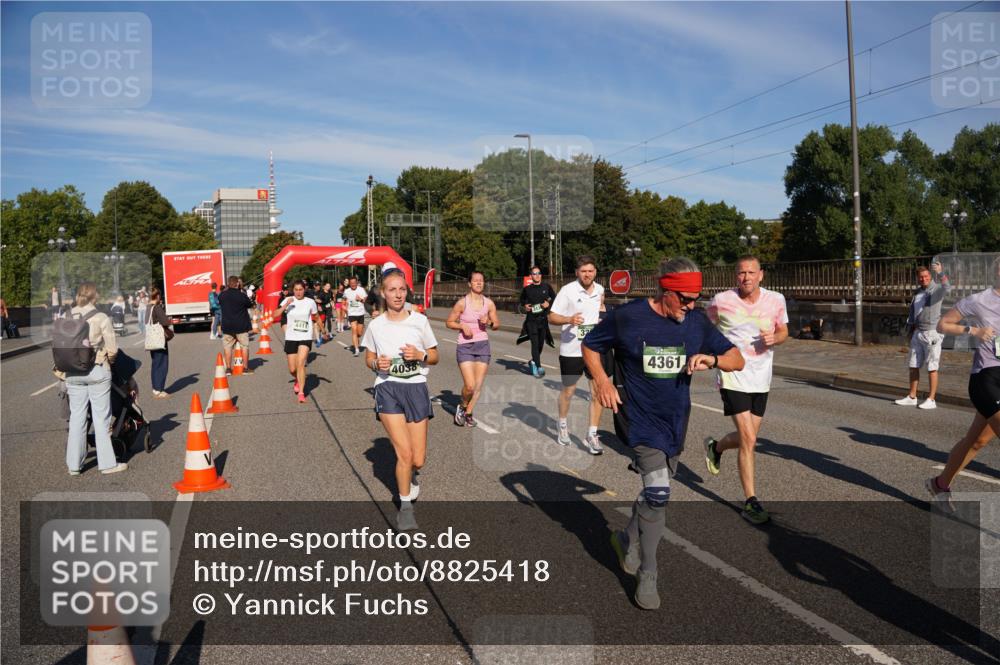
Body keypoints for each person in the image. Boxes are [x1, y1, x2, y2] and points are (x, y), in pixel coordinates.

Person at [584, 257, 743, 609]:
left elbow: (737, 359)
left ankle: (627, 539)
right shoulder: (629, 317)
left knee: (655, 494)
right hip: (637, 419)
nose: (690, 306)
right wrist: (602, 381)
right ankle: (648, 572)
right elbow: (591, 345)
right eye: (685, 299)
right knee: (658, 493)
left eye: (696, 299)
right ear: (665, 290)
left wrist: (713, 360)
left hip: (675, 422)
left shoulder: (696, 323)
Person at [703, 256, 789, 525]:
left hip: (761, 377)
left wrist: (776, 338)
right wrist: (710, 354)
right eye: (742, 273)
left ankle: (716, 447)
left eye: (751, 272)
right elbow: (703, 327)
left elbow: (784, 330)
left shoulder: (776, 300)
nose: (746, 277)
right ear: (735, 276)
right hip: (732, 375)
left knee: (747, 438)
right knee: (749, 439)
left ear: (761, 275)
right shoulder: (721, 301)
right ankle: (751, 501)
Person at [361, 269, 439, 530]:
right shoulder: (376, 325)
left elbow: (435, 356)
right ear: (383, 293)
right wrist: (376, 364)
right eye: (392, 290)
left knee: (418, 459)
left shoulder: (419, 321)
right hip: (388, 388)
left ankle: (412, 475)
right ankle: (405, 509)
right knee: (404, 453)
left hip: (416, 388)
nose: (397, 294)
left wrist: (420, 355)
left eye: (402, 289)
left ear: (407, 292)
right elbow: (369, 358)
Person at [926, 255, 1000, 507]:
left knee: (977, 441)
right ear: (997, 272)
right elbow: (943, 324)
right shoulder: (979, 301)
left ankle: (940, 484)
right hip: (986, 378)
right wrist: (974, 331)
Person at [61, 282, 128, 475]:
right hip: (96, 370)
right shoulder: (101, 317)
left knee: (77, 418)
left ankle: (74, 465)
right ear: (94, 296)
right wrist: (108, 362)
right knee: (101, 418)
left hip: (72, 372)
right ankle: (107, 464)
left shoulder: (66, 316)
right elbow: (112, 350)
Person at [548, 255, 607, 455]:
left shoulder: (600, 290)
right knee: (569, 391)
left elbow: (600, 311)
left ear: (595, 272)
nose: (587, 274)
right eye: (583, 271)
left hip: (594, 349)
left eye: (590, 271)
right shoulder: (567, 291)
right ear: (577, 273)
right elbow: (551, 316)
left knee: (597, 391)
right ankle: (562, 424)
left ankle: (592, 434)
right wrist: (569, 319)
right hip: (571, 350)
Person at [446, 271, 500, 428]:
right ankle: (462, 406)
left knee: (477, 385)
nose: (478, 283)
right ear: (469, 283)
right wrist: (462, 326)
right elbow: (449, 322)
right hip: (465, 346)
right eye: (475, 280)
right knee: (469, 385)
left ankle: (468, 413)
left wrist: (489, 322)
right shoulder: (462, 303)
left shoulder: (489, 304)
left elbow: (496, 324)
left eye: (481, 280)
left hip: (482, 345)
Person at [895, 263, 950, 410]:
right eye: (921, 277)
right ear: (917, 278)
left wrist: (941, 273)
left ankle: (931, 399)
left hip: (932, 333)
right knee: (913, 365)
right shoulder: (918, 292)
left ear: (930, 276)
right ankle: (912, 397)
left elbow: (947, 287)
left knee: (932, 366)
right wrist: (911, 330)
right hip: (917, 332)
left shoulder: (936, 289)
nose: (923, 279)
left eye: (926, 276)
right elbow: (914, 312)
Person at [273, 280, 320, 404]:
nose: (298, 292)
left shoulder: (310, 302)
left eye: (301, 289)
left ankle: (301, 393)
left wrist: (323, 330)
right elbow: (274, 315)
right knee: (292, 369)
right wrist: (285, 305)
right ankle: (297, 379)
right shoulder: (288, 300)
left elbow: (316, 316)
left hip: (305, 336)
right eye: (296, 290)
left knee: (300, 364)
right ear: (293, 290)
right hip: (291, 337)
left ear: (304, 290)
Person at [518, 266, 557, 378]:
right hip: (531, 321)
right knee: (535, 344)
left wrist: (548, 303)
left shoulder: (546, 287)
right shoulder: (527, 289)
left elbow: (553, 297)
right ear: (531, 276)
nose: (537, 275)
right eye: (534, 273)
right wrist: (525, 306)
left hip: (543, 320)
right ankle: (538, 366)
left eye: (539, 273)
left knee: (540, 344)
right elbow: (521, 301)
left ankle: (533, 361)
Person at [219, 276, 255, 375]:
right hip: (241, 325)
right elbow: (249, 304)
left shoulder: (222, 295)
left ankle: (228, 369)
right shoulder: (241, 295)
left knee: (228, 347)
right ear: (237, 283)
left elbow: (220, 301)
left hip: (227, 325)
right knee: (244, 346)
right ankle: (245, 368)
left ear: (228, 284)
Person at [146, 287, 173, 398]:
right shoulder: (157, 308)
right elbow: (165, 322)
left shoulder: (148, 308)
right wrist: (169, 321)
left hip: (151, 340)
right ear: (157, 296)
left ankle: (155, 388)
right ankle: (159, 389)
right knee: (162, 364)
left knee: (155, 364)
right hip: (159, 340)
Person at [344, 275, 368, 357]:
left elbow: (366, 300)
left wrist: (360, 299)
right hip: (352, 313)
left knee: (359, 333)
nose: (353, 284)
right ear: (349, 283)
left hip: (360, 313)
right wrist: (344, 306)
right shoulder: (347, 291)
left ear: (357, 282)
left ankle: (356, 341)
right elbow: (344, 300)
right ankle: (356, 349)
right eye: (351, 283)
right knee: (354, 330)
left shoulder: (361, 290)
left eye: (354, 282)